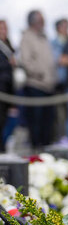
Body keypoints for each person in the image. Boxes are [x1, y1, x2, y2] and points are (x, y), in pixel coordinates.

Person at [20, 10, 57, 148]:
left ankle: (46, 153)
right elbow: (26, 62)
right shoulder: (27, 38)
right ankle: (36, 154)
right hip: (35, 86)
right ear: (34, 22)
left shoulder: (44, 38)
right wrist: (41, 73)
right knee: (36, 124)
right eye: (41, 20)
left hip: (48, 86)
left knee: (48, 124)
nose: (44, 23)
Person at [51, 18, 68, 139]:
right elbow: (59, 60)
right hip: (58, 85)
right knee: (59, 117)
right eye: (65, 26)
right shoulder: (52, 44)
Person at [0, 20, 16, 152]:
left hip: (8, 92)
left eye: (5, 29)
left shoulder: (8, 47)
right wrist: (8, 63)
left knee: (6, 123)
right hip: (1, 90)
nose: (4, 32)